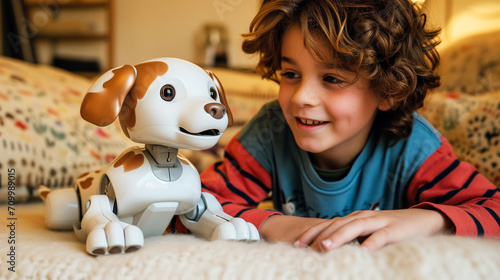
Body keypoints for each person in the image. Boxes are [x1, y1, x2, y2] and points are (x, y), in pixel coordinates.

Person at [198, 0, 500, 251]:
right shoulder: (270, 131)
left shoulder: (415, 147)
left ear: (386, 89)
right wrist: (276, 224)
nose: (302, 97)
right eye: (291, 74)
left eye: (332, 78)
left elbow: (494, 211)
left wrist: (424, 221)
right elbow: (195, 204)